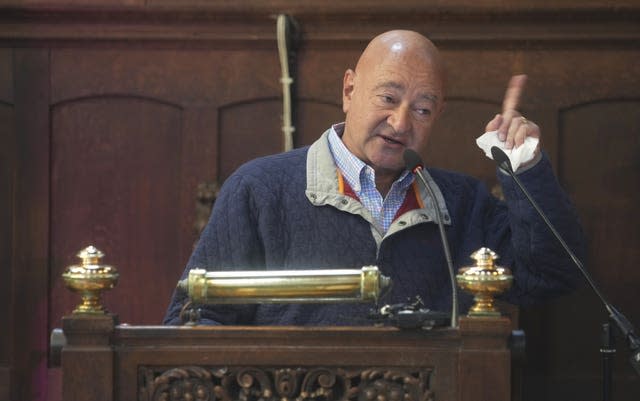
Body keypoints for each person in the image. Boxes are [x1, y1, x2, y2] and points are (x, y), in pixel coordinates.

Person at [163, 30, 584, 326]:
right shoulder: (259, 189)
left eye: (422, 109)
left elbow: (552, 275)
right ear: (349, 90)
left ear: (437, 115)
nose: (400, 122)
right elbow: (193, 320)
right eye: (388, 97)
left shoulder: (461, 202)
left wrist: (525, 168)